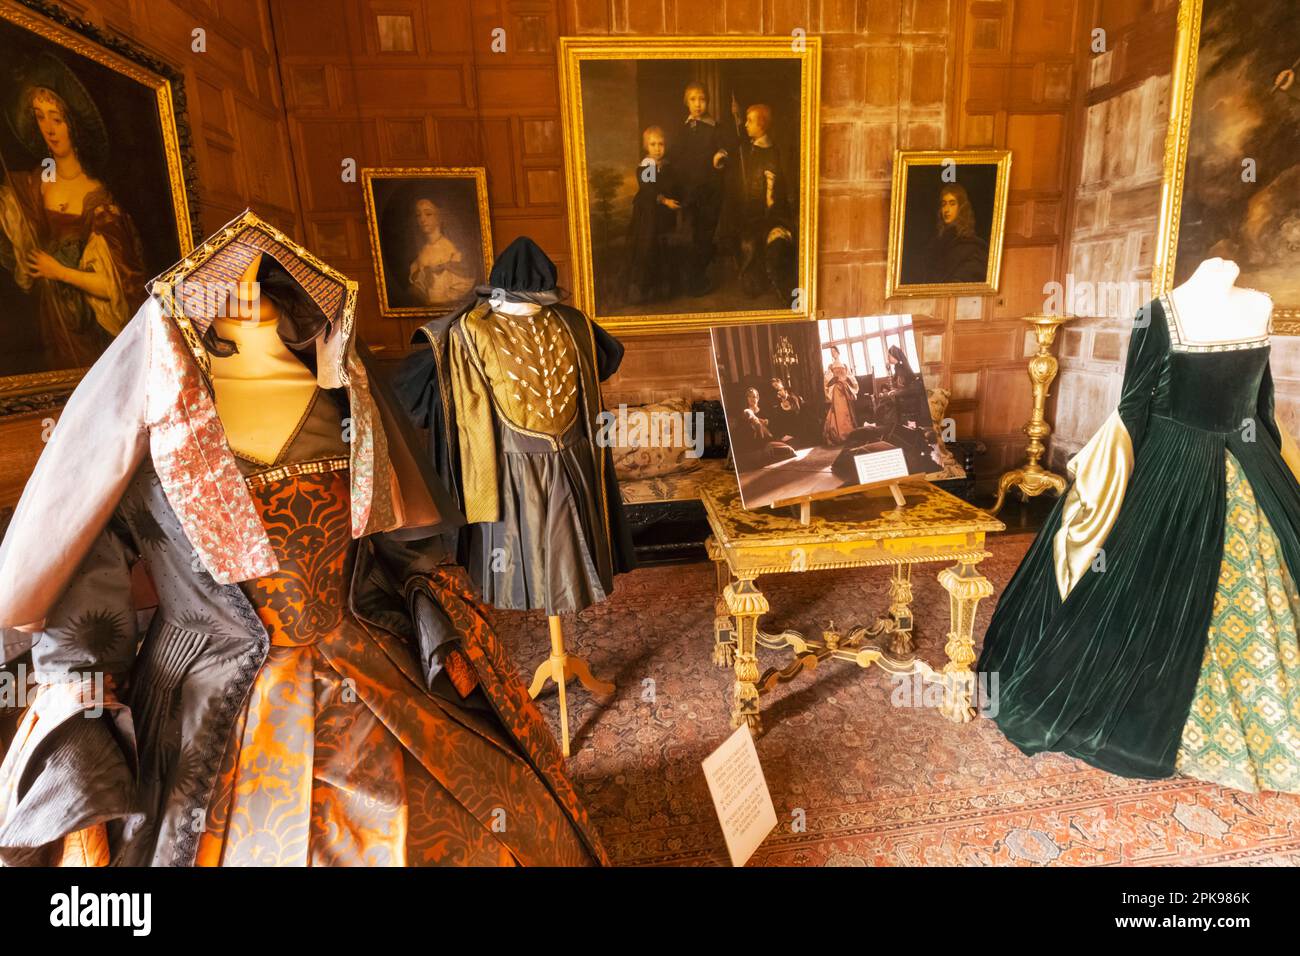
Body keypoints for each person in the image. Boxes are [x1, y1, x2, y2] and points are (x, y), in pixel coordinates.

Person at [0, 211, 607, 866]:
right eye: (232, 287)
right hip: (207, 682)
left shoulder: (343, 396)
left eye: (266, 283)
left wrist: (437, 617)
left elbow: (400, 535)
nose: (249, 294)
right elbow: (87, 586)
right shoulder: (147, 420)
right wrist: (85, 702)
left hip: (362, 652)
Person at [979, 260, 1300, 793]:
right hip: (1250, 454)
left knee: (1135, 584)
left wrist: (1102, 489)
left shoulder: (1164, 313)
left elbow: (1132, 410)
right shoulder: (1235, 308)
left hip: (1176, 457)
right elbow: (1261, 408)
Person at [0, 54, 145, 372]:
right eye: (40, 117)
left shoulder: (97, 197)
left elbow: (116, 287)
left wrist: (59, 272)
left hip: (86, 326)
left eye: (57, 118)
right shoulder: (35, 182)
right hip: (46, 319)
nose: (49, 130)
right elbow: (13, 228)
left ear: (73, 125)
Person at [725, 102, 795, 302]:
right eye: (745, 120)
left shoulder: (769, 152)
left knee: (754, 241)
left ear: (762, 126)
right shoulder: (751, 147)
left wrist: (769, 211)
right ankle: (751, 276)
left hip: (765, 214)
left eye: (750, 121)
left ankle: (759, 278)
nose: (746, 125)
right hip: (750, 210)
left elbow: (771, 193)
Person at [670, 82, 731, 296]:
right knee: (690, 234)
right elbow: (676, 155)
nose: (698, 104)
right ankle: (690, 277)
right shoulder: (683, 128)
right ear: (686, 102)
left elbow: (727, 147)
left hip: (709, 190)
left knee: (705, 233)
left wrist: (720, 155)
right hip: (689, 190)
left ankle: (698, 278)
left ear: (708, 102)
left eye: (702, 99)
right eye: (693, 99)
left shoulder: (715, 127)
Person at [624, 125, 681, 304]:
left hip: (661, 214)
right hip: (648, 214)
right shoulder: (648, 165)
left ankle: (660, 288)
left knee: (662, 249)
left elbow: (672, 186)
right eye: (653, 144)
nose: (657, 148)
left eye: (661, 144)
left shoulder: (666, 166)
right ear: (646, 147)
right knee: (647, 247)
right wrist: (666, 201)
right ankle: (640, 289)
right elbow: (649, 191)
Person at [407, 196, 475, 305]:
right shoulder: (422, 252)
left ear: (440, 216)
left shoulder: (450, 248)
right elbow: (416, 285)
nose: (422, 219)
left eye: (428, 214)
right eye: (418, 215)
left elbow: (464, 284)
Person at [919, 182, 988, 284]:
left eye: (952, 204)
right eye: (944, 204)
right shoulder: (936, 243)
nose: (946, 210)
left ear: (961, 207)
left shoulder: (972, 246)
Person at [822, 345, 859, 444]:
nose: (833, 353)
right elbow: (827, 380)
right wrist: (834, 381)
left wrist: (846, 381)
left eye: (834, 351)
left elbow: (850, 377)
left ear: (838, 352)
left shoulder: (844, 365)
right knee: (838, 411)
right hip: (836, 390)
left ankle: (849, 434)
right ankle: (839, 435)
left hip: (844, 389)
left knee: (847, 412)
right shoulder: (830, 366)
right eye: (831, 352)